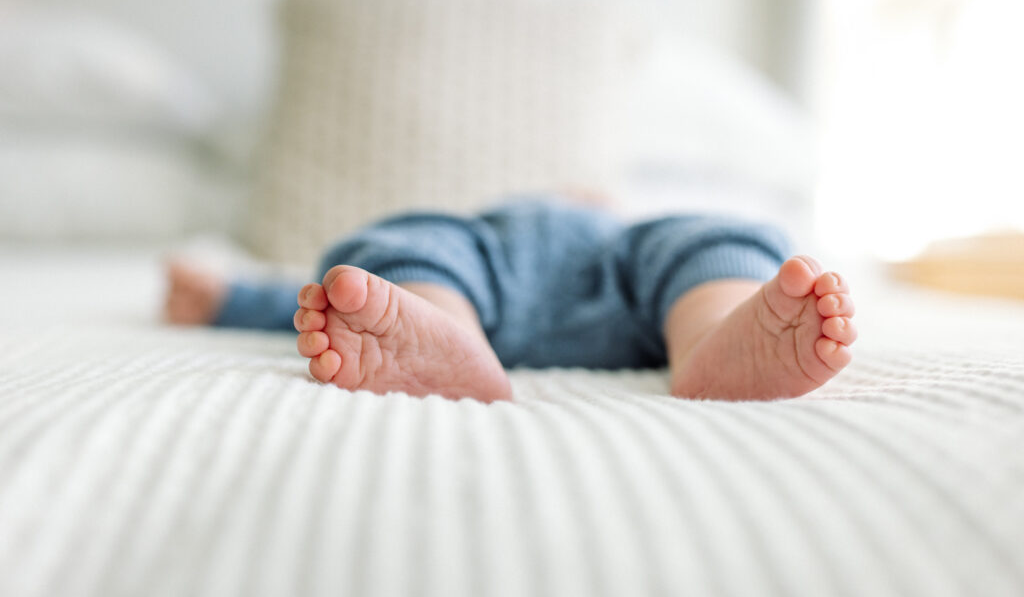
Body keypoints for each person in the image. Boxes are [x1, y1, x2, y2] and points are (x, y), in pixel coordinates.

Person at [165, 199, 856, 402]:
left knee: (708, 238)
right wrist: (228, 297)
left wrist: (226, 301)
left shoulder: (632, 231)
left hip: (632, 284)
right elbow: (309, 303)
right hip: (487, 267)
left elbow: (303, 306)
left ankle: (715, 336)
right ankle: (441, 327)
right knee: (406, 250)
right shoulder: (483, 227)